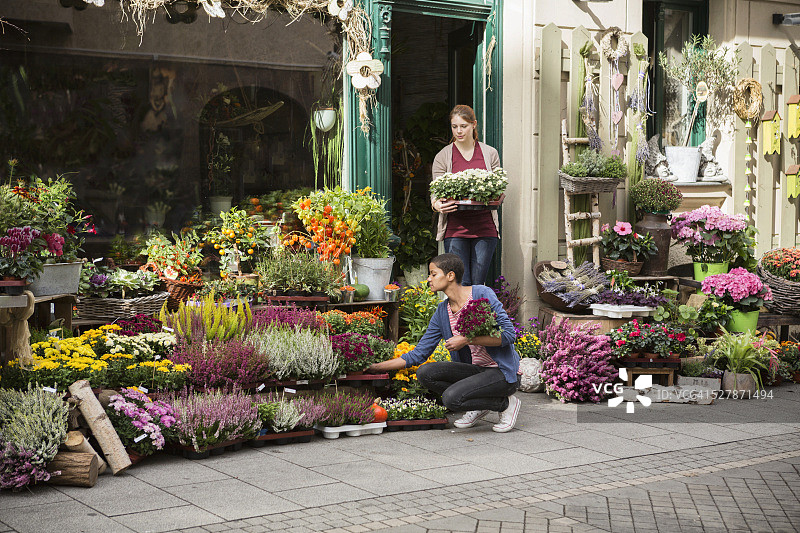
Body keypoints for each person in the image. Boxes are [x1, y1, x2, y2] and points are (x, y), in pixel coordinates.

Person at [367, 253, 521, 433]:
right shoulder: (442, 312)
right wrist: (377, 367)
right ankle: (479, 404)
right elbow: (419, 354)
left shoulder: (481, 294)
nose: (429, 279)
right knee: (425, 373)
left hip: (502, 372)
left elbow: (509, 335)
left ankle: (505, 404)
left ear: (450, 275)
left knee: (451, 399)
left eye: (433, 274)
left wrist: (467, 339)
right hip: (476, 371)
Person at [431, 105, 502, 286]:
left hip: (484, 227)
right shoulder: (443, 156)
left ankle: (477, 307)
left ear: (474, 125)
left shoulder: (490, 153)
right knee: (460, 283)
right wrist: (437, 205)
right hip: (455, 229)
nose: (459, 131)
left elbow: (499, 188)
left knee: (477, 284)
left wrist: (498, 197)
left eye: (463, 126)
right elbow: (436, 192)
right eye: (454, 126)